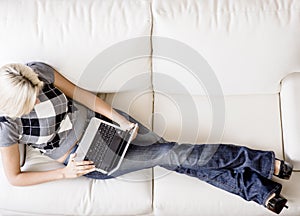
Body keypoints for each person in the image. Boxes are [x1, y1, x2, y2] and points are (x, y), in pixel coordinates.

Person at [0, 62, 293, 214]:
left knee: (175, 155)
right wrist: (65, 174)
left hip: (104, 123)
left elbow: (80, 94)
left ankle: (260, 191)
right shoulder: (7, 125)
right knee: (169, 154)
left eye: (38, 90)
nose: (38, 96)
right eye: (32, 100)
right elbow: (14, 177)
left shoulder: (37, 72)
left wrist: (119, 118)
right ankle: (262, 164)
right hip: (84, 156)